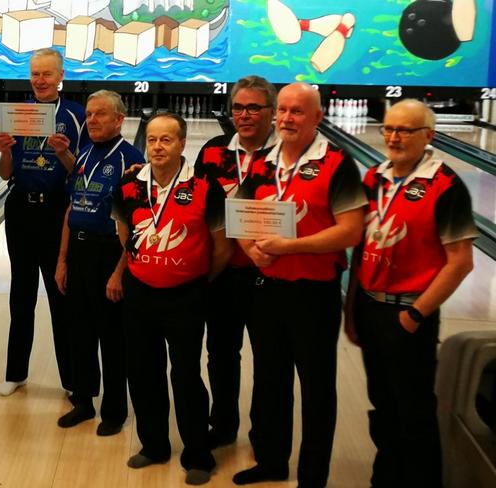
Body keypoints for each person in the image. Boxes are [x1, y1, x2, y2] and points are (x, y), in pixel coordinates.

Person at [233, 82, 367, 487]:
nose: (287, 118)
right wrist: (252, 250)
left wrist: (290, 247)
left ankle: (312, 477)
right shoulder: (263, 162)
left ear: (318, 117)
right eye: (283, 110)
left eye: (297, 112)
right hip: (268, 289)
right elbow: (240, 214)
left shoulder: (337, 163)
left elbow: (351, 231)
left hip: (314, 294)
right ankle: (271, 462)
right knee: (270, 381)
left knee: (316, 389)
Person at [345, 99, 476, 487]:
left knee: (414, 411)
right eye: (389, 128)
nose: (393, 137)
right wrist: (352, 311)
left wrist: (416, 314)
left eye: (404, 130)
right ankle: (386, 477)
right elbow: (360, 251)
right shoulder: (374, 178)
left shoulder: (445, 185)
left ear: (428, 135)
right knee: (383, 404)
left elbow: (461, 262)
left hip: (409, 313)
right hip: (370, 308)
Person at [116, 112, 231, 485]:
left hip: (186, 297)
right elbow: (124, 233)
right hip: (140, 293)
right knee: (143, 372)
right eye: (151, 139)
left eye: (166, 139)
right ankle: (154, 445)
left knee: (186, 376)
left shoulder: (205, 188)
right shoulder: (129, 185)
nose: (157, 146)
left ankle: (197, 453)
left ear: (182, 143)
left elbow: (222, 247)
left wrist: (194, 279)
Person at [0, 48, 87, 398]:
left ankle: (72, 380)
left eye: (47, 73)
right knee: (21, 295)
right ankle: (15, 373)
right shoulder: (18, 115)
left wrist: (63, 153)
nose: (40, 80)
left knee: (62, 296)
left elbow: (83, 175)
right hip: (21, 209)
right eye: (35, 74)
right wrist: (5, 152)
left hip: (58, 212)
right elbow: (5, 174)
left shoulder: (77, 116)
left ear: (61, 76)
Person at [193, 75, 279, 447]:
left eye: (253, 108)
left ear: (271, 112)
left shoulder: (286, 155)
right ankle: (223, 427)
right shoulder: (213, 150)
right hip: (223, 273)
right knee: (221, 355)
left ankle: (265, 436)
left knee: (270, 361)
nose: (244, 115)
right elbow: (193, 201)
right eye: (238, 107)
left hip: (269, 276)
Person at [53, 90, 141, 436]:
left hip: (108, 254)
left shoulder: (130, 159)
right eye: (89, 114)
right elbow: (71, 208)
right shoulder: (86, 153)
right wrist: (62, 260)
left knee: (112, 337)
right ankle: (83, 401)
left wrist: (119, 273)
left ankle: (114, 411)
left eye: (100, 114)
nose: (92, 120)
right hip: (78, 251)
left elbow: (135, 224)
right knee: (80, 332)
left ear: (119, 119)